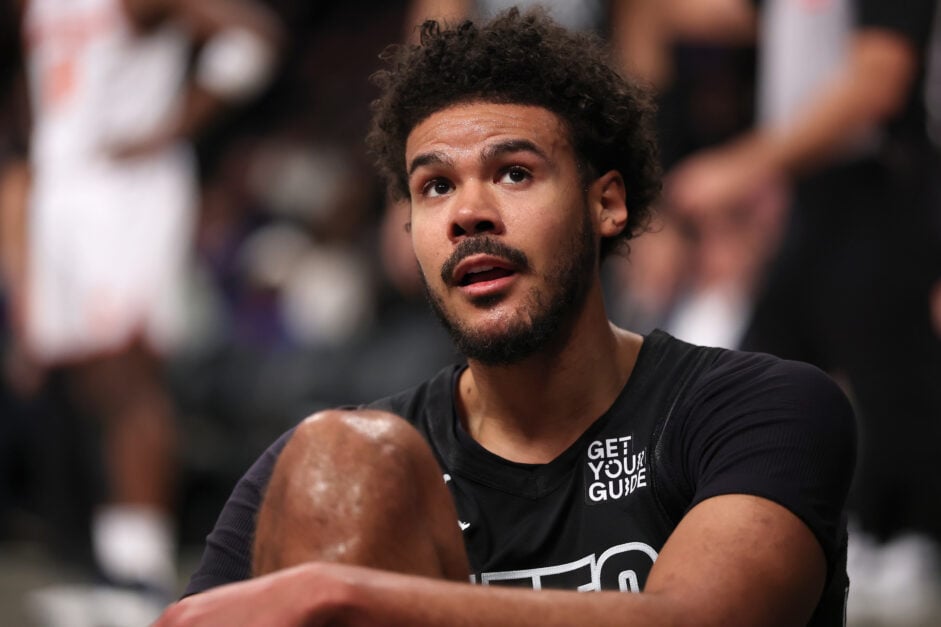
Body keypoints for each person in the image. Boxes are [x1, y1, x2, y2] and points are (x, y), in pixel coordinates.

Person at [159, 9, 855, 626]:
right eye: (434, 187)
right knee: (341, 457)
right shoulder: (321, 471)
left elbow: (702, 619)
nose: (467, 213)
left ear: (606, 203)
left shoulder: (764, 406)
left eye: (514, 172)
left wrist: (351, 597)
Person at [661, 1, 941, 620]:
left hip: (884, 188)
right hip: (812, 201)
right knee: (763, 383)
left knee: (887, 383)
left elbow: (879, 81)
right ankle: (764, 543)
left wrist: (743, 165)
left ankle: (899, 546)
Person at [6, 0, 281, 621]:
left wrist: (175, 124)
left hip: (125, 190)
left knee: (130, 379)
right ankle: (119, 564)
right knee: (92, 385)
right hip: (64, 188)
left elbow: (254, 38)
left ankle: (145, 575)